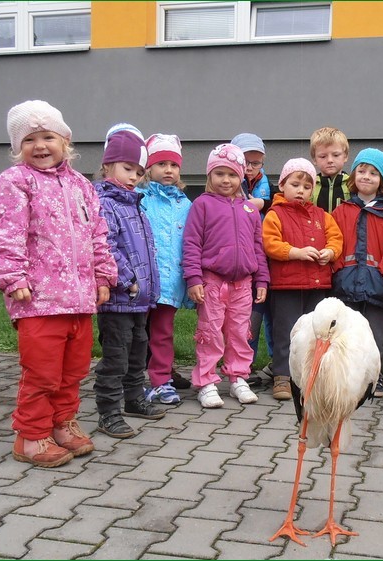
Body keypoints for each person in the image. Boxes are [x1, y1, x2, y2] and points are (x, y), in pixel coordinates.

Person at [0, 100, 117, 467]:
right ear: (18, 148)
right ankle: (31, 435)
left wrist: (103, 274)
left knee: (72, 371)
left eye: (48, 137)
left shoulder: (81, 185)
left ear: (65, 141)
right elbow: (4, 232)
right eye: (29, 140)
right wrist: (12, 276)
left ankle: (61, 423)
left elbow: (97, 234)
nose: (39, 146)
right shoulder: (15, 181)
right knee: (42, 373)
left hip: (79, 298)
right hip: (38, 299)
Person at [182, 143, 270, 408]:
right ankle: (206, 381)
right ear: (210, 175)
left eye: (232, 174)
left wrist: (262, 279)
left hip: (243, 283)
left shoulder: (249, 210)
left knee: (240, 332)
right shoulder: (202, 205)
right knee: (210, 332)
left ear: (240, 177)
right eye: (219, 173)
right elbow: (191, 243)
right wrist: (193, 278)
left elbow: (258, 247)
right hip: (212, 281)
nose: (226, 180)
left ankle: (238, 377)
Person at [93, 127, 165, 439]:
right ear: (107, 165)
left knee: (138, 352)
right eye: (127, 168)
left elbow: (146, 251)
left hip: (139, 300)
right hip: (118, 298)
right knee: (116, 357)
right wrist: (128, 281)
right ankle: (108, 412)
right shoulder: (104, 202)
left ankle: (134, 398)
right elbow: (106, 246)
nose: (134, 176)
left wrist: (149, 288)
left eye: (139, 171)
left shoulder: (135, 204)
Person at [262, 158, 343, 400]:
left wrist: (330, 252)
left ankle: (310, 377)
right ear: (282, 185)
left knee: (314, 333)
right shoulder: (275, 214)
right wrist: (295, 252)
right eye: (295, 185)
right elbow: (270, 243)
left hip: (317, 285)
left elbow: (336, 238)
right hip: (286, 285)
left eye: (307, 187)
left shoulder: (322, 215)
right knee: (285, 331)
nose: (301, 191)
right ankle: (282, 376)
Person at [331, 148, 383, 398]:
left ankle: (374, 379)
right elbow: (334, 243)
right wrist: (337, 271)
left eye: (373, 173)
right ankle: (347, 378)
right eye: (362, 171)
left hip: (377, 283)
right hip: (346, 282)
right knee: (347, 334)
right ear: (353, 176)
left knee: (375, 334)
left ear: (382, 180)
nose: (366, 176)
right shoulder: (341, 211)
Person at [138, 133, 194, 404]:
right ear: (148, 168)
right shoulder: (139, 198)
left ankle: (161, 380)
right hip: (140, 281)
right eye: (161, 164)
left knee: (163, 334)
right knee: (135, 333)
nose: (168, 170)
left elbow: (192, 241)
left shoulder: (186, 204)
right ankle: (130, 380)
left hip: (169, 282)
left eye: (173, 165)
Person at [231, 133, 274, 386]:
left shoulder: (265, 183)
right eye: (245, 162)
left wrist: (261, 203)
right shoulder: (228, 180)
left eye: (256, 163)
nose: (249, 168)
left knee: (265, 310)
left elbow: (271, 202)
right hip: (240, 254)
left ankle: (274, 363)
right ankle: (241, 367)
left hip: (264, 253)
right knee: (246, 317)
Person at [310, 126, 351, 213]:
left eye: (336, 155)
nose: (330, 160)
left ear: (345, 156)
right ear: (314, 159)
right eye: (323, 156)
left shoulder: (352, 185)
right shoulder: (310, 186)